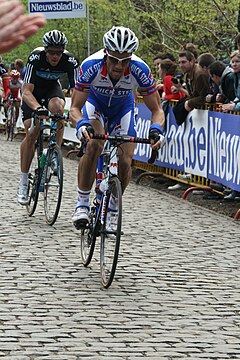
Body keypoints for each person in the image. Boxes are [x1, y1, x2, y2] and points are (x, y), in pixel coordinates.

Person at [70, 26, 165, 228]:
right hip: (96, 104)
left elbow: (157, 109)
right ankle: (82, 204)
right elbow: (75, 107)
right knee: (95, 145)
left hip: (123, 108)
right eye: (114, 59)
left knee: (124, 160)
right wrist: (81, 124)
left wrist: (156, 129)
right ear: (106, 54)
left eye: (124, 61)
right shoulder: (90, 66)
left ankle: (113, 206)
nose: (119, 66)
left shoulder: (141, 69)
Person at [17, 30, 79, 205]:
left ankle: (54, 151)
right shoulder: (36, 58)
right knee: (32, 129)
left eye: (59, 52)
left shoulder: (70, 61)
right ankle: (23, 180)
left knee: (58, 108)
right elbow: (26, 91)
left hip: (52, 88)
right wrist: (37, 109)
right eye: (51, 52)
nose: (55, 56)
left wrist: (75, 110)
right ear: (45, 50)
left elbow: (77, 92)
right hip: (33, 91)